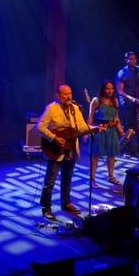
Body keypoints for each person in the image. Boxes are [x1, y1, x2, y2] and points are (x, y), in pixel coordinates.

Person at [36, 84, 105, 220]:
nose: (68, 96)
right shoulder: (51, 108)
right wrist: (54, 138)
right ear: (58, 95)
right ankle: (46, 208)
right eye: (65, 94)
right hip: (55, 149)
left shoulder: (75, 108)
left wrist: (95, 128)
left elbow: (81, 127)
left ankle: (66, 203)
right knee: (50, 180)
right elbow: (39, 127)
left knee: (67, 178)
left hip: (71, 148)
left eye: (70, 93)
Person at [116, 50, 139, 157]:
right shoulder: (122, 73)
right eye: (131, 59)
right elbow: (120, 92)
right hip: (128, 103)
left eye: (135, 59)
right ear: (126, 60)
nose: (133, 61)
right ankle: (128, 150)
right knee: (129, 127)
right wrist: (133, 99)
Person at [88, 80, 126, 187]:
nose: (110, 91)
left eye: (112, 88)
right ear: (103, 89)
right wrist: (87, 131)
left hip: (112, 131)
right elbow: (90, 117)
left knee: (111, 155)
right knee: (96, 156)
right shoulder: (96, 100)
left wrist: (121, 132)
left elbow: (116, 118)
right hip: (99, 130)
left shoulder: (115, 101)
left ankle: (111, 176)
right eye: (107, 88)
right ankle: (92, 179)